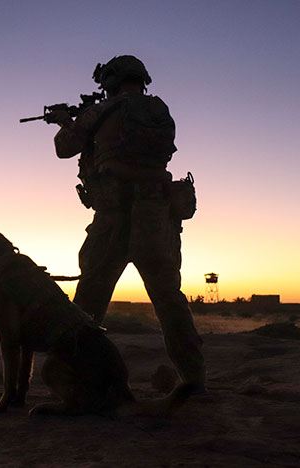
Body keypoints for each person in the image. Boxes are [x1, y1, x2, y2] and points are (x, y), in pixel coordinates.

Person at [46, 55, 205, 391]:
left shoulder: (101, 111)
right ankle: (193, 379)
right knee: (169, 299)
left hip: (113, 219)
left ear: (110, 81)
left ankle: (75, 382)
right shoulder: (159, 111)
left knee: (89, 300)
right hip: (156, 219)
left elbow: (64, 148)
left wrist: (65, 121)